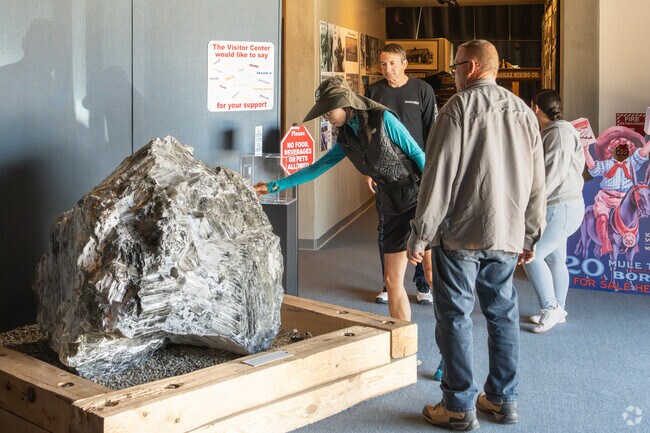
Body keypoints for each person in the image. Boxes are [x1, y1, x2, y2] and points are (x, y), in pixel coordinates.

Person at [407, 40, 546, 430]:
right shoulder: (524, 112)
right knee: (501, 315)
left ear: (469, 67)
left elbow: (438, 179)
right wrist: (531, 235)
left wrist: (420, 235)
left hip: (459, 234)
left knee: (454, 317)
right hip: (507, 232)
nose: (452, 73)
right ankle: (503, 401)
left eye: (453, 67)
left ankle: (458, 406)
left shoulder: (456, 109)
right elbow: (538, 183)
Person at [254, 76, 432, 324]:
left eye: (329, 110)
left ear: (346, 103)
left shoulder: (383, 119)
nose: (325, 116)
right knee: (392, 281)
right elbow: (317, 168)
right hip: (390, 203)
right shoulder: (346, 139)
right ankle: (404, 347)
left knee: (432, 276)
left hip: (417, 197)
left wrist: (433, 198)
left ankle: (449, 355)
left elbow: (416, 153)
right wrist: (273, 186)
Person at [365, 43, 438, 307]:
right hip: (386, 173)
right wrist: (368, 169)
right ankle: (389, 281)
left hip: (417, 172)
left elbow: (433, 131)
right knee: (385, 227)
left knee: (419, 225)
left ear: (405, 63)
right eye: (383, 64)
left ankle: (422, 281)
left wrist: (431, 168)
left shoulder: (423, 90)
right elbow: (367, 134)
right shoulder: (373, 92)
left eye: (393, 63)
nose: (388, 69)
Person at [522, 89, 585, 333]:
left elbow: (551, 176)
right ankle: (558, 308)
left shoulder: (558, 133)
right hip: (562, 205)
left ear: (534, 107)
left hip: (560, 206)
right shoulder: (555, 132)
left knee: (531, 255)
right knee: (555, 258)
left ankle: (550, 307)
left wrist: (531, 204)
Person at [582, 126, 650, 256]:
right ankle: (605, 243)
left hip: (625, 198)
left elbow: (643, 152)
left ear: (629, 150)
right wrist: (586, 151)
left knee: (634, 216)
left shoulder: (632, 162)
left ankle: (632, 243)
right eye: (618, 148)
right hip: (606, 198)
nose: (622, 151)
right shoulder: (607, 164)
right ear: (611, 150)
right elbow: (593, 167)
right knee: (602, 217)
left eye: (625, 148)